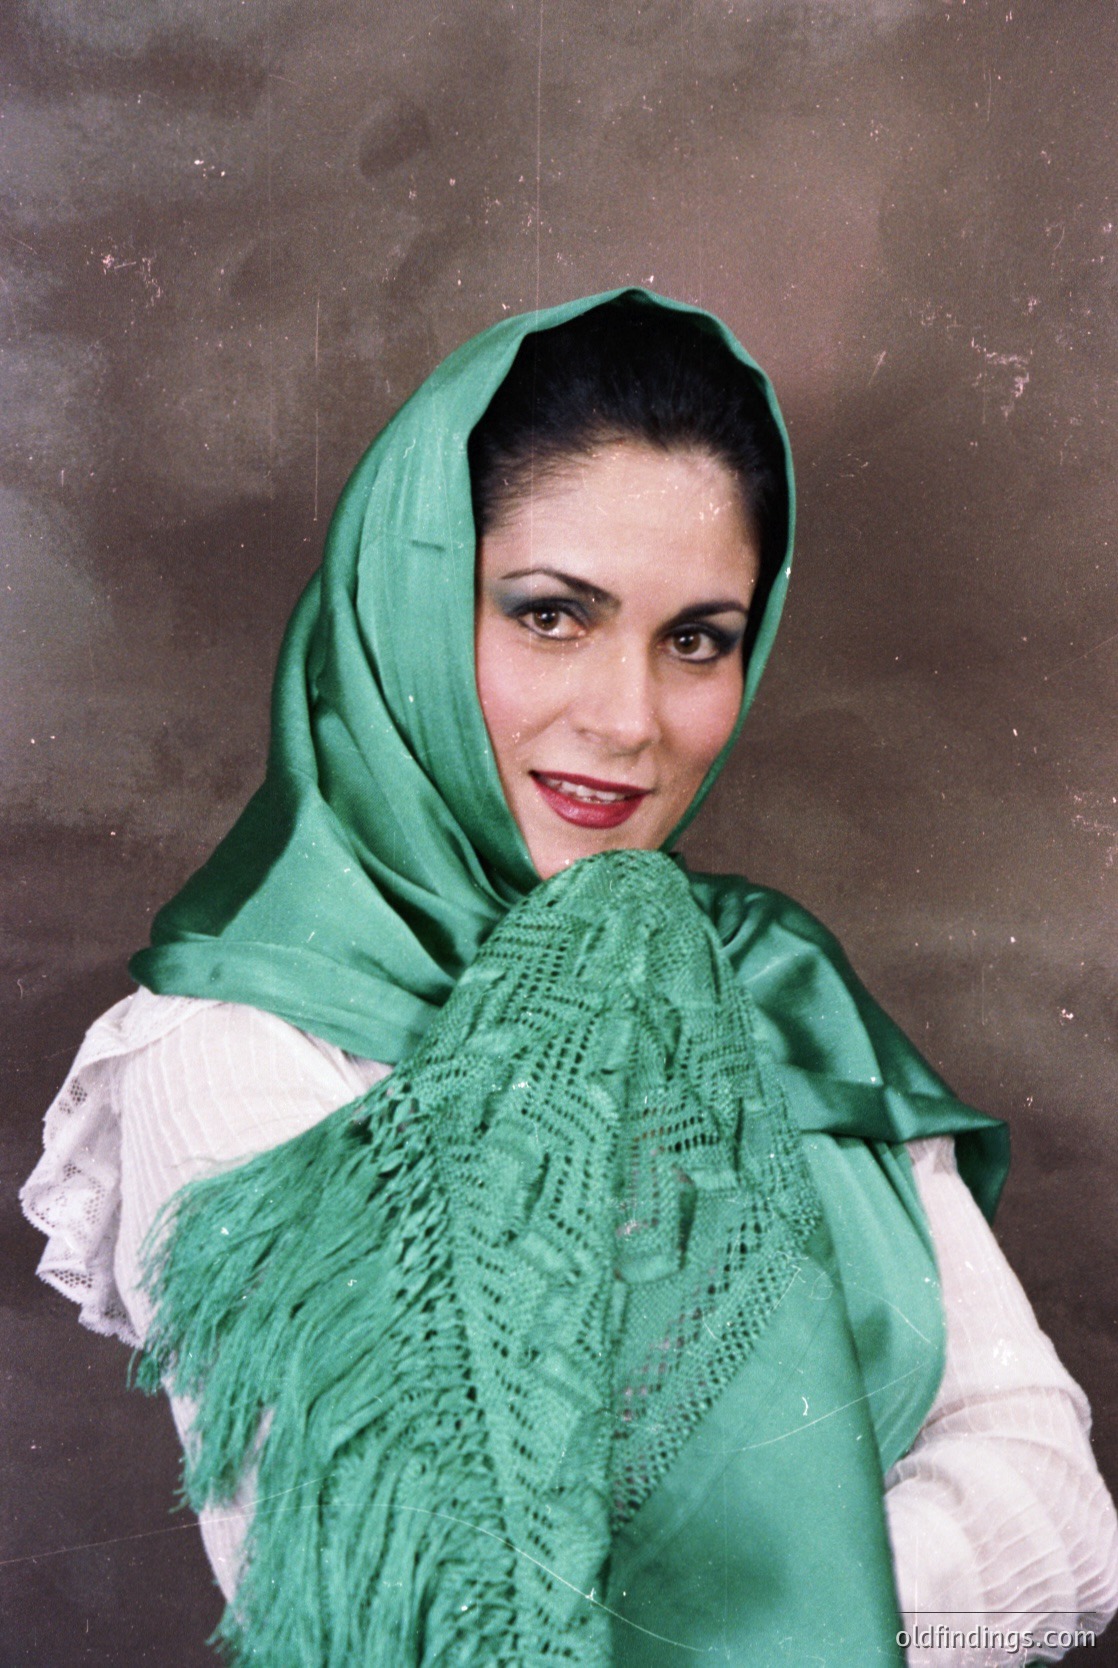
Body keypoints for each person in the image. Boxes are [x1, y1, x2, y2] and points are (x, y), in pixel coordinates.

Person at [21, 289, 1118, 1667]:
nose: (626, 719)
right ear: (404, 608)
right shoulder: (232, 1036)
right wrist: (841, 1581)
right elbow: (425, 1618)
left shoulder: (763, 985)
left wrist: (697, 1596)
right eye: (549, 617)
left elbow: (1063, 1520)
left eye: (695, 639)